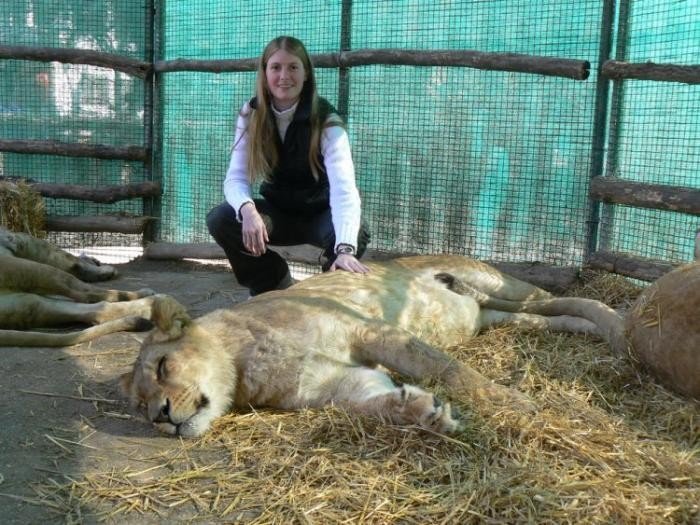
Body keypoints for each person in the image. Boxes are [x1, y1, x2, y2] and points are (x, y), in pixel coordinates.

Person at [206, 36, 371, 296]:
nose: (284, 76)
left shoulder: (327, 121)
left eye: (293, 67)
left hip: (320, 215)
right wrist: (248, 210)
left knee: (356, 233)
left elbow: (344, 190)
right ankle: (272, 280)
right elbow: (235, 177)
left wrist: (345, 249)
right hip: (278, 213)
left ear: (306, 74)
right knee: (222, 218)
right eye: (276, 67)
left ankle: (324, 294)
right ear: (264, 73)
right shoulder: (251, 114)